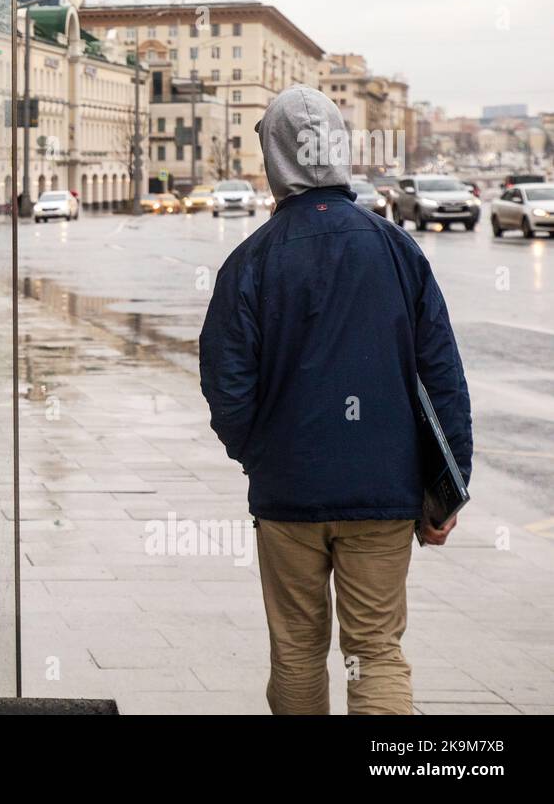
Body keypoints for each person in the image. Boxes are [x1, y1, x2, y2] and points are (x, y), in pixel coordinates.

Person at [198, 85, 472, 715]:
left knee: (295, 650)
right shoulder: (397, 249)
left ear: (274, 157)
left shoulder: (251, 260)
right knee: (375, 650)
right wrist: (447, 489)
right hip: (383, 488)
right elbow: (442, 378)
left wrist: (261, 454)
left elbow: (226, 385)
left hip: (289, 491)